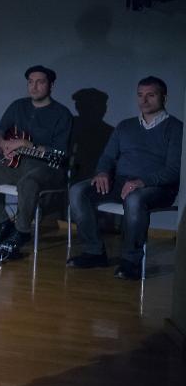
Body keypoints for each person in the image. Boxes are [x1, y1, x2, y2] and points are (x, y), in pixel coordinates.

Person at [67, 76, 182, 279]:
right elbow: (107, 157)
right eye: (140, 95)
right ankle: (94, 252)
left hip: (156, 187)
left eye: (151, 95)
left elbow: (175, 169)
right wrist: (102, 172)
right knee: (78, 191)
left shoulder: (176, 128)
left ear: (164, 98)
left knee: (135, 198)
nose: (144, 100)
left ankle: (131, 261)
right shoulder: (125, 126)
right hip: (121, 181)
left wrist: (142, 182)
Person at [0, 65, 73, 248]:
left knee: (28, 182)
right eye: (30, 82)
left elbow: (60, 153)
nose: (34, 87)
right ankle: (1, 223)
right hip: (17, 166)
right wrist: (2, 142)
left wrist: (26, 144)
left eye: (40, 82)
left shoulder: (62, 114)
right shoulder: (18, 106)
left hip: (48, 169)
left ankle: (22, 231)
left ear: (51, 85)